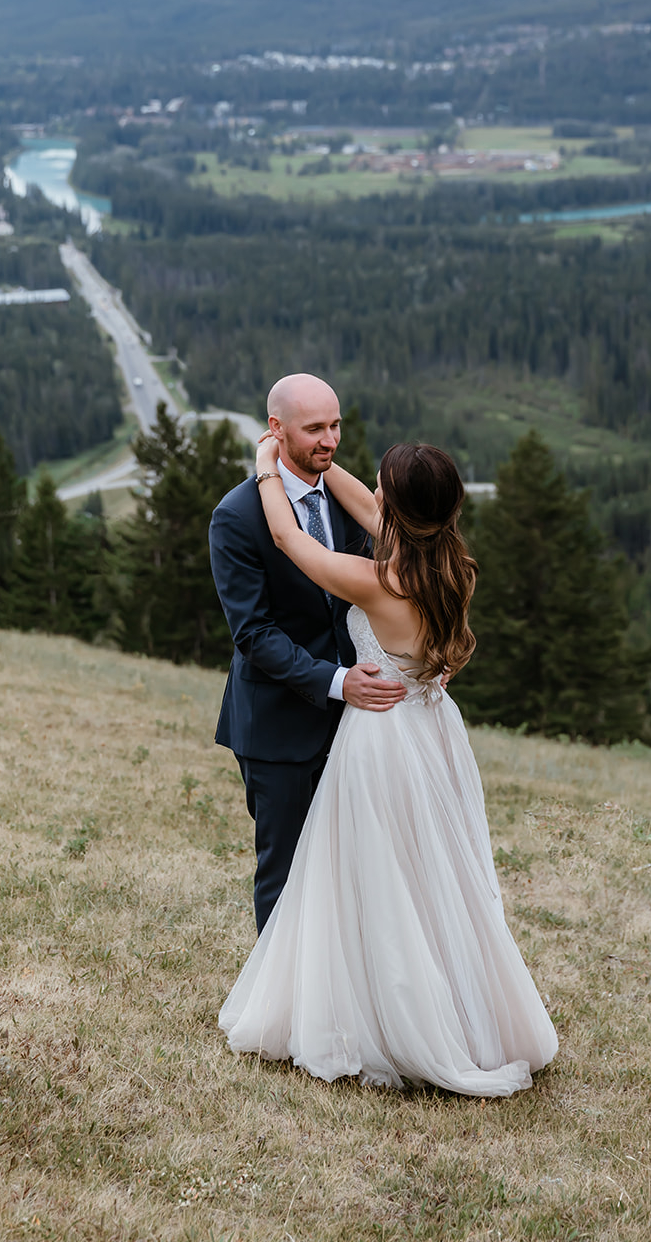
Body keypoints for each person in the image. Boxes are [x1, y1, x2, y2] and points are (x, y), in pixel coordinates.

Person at [219, 433, 559, 1097]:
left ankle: (390, 1015)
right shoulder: (451, 562)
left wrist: (268, 467)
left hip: (382, 734)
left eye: (380, 487)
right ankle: (463, 1012)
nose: (368, 493)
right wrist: (317, 454)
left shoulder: (378, 580)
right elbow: (372, 509)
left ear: (395, 506)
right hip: (433, 729)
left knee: (380, 872)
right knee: (436, 874)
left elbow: (294, 543)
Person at [209, 374, 406, 931]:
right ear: (276, 429)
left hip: (357, 727)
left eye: (336, 425)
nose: (330, 440)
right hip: (278, 725)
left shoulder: (347, 502)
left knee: (352, 868)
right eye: (315, 428)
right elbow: (253, 634)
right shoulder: (237, 516)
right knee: (287, 872)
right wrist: (340, 681)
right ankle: (282, 1011)